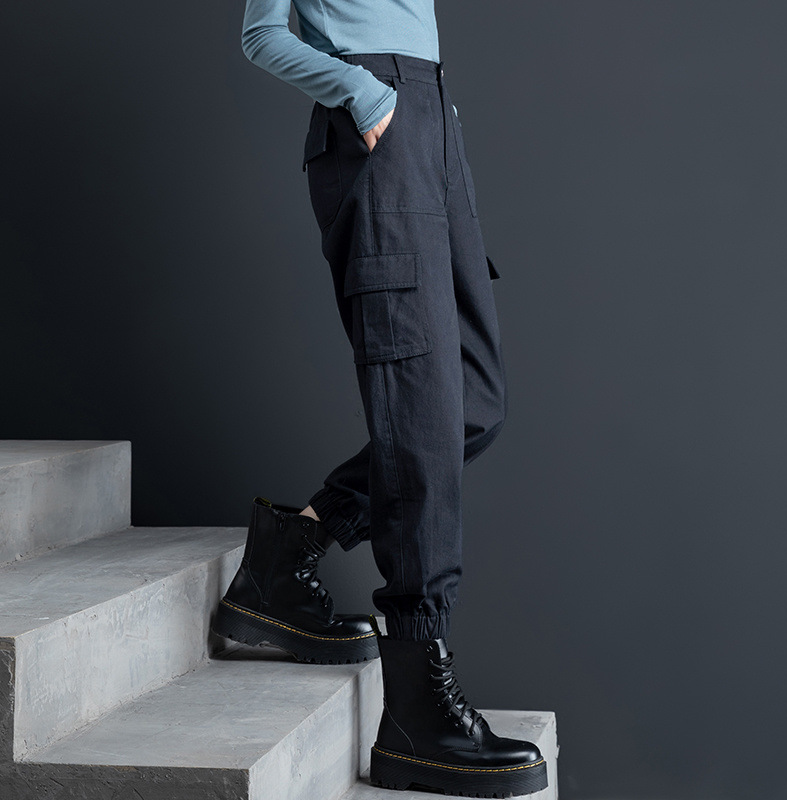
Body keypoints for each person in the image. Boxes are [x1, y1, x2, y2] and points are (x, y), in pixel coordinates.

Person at [212, 0, 548, 796]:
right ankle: (415, 716)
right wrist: (363, 94)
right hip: (375, 122)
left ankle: (288, 550)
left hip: (431, 124)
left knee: (473, 400)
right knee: (423, 410)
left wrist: (433, 112)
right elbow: (262, 33)